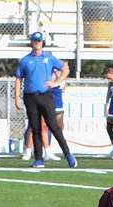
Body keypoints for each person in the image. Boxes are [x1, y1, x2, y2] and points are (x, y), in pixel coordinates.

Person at [14, 31, 75, 169]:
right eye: (35, 41)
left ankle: (68, 154)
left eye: (39, 41)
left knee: (53, 126)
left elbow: (65, 69)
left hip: (45, 95)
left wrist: (57, 82)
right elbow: (18, 79)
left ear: (42, 42)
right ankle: (39, 159)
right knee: (35, 127)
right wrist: (16, 97)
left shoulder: (48, 57)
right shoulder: (25, 60)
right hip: (30, 96)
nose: (37, 43)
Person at [41, 80, 66, 161]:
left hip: (59, 104)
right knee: (44, 127)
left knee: (58, 127)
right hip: (48, 103)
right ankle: (46, 151)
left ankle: (62, 150)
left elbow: (63, 87)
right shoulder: (48, 72)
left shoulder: (62, 74)